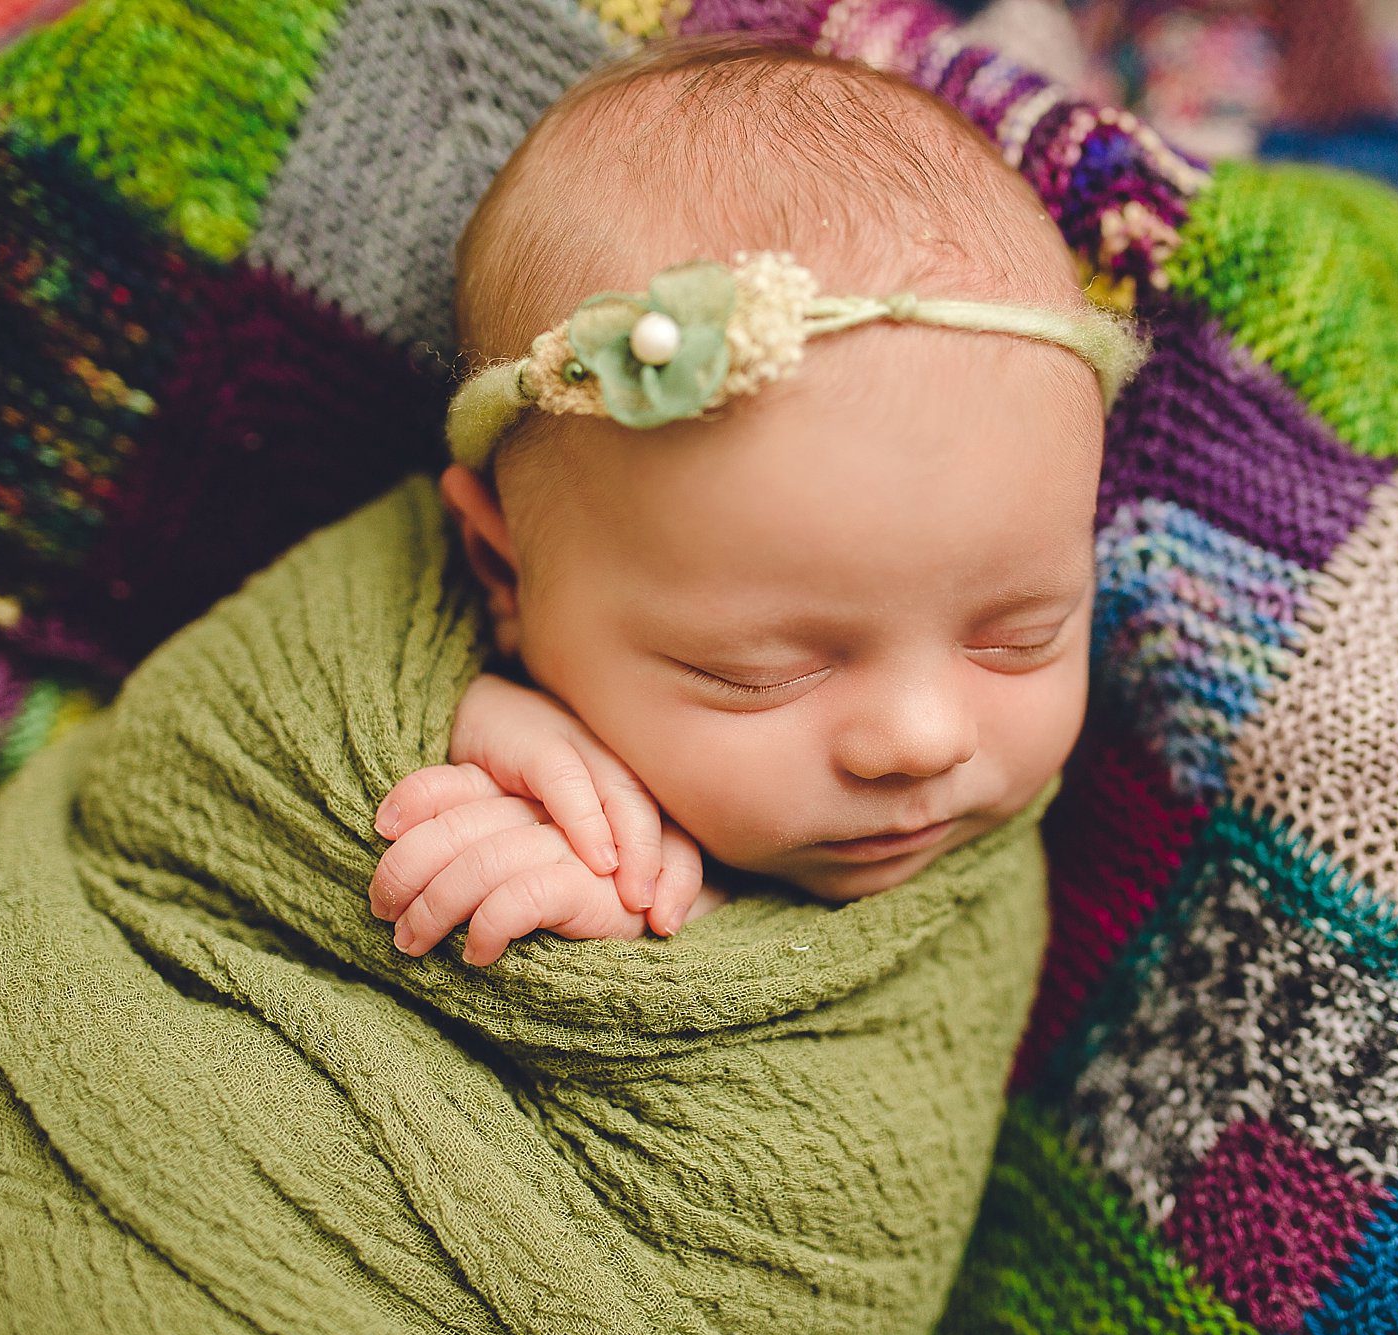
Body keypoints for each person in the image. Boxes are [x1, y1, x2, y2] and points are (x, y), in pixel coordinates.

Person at [366, 32, 1148, 965]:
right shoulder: (377, 631)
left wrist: (674, 931)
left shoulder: (1015, 852)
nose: (923, 738)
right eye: (758, 673)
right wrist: (446, 722)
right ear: (502, 569)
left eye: (1023, 639)